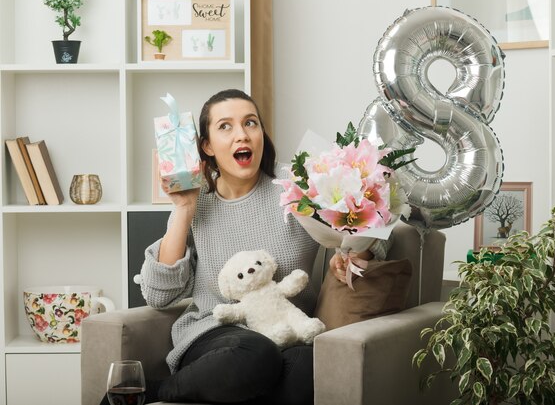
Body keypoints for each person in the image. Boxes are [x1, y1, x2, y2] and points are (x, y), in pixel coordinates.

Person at [111, 89, 389, 405]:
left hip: (287, 332)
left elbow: (371, 235)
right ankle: (151, 392)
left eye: (250, 123)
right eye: (225, 126)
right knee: (257, 352)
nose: (241, 135)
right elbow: (158, 294)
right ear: (207, 146)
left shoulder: (296, 186)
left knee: (307, 364)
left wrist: (353, 254)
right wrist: (183, 208)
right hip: (216, 337)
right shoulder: (197, 200)